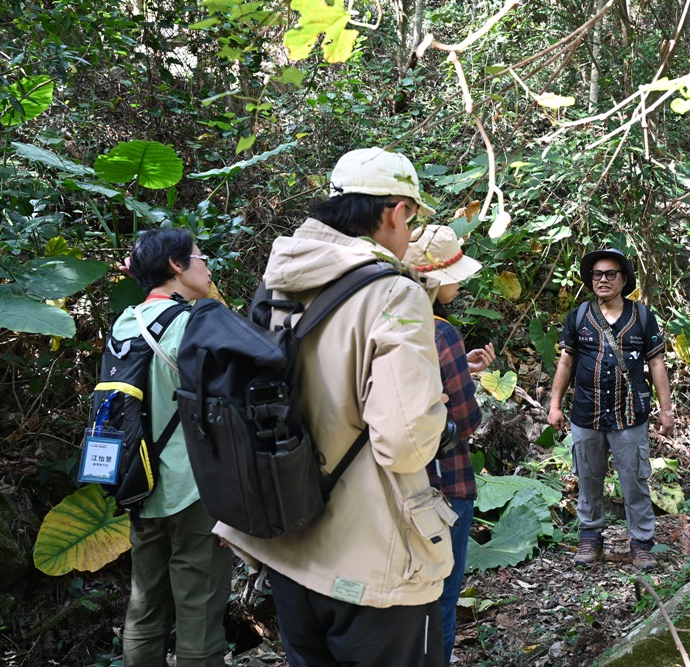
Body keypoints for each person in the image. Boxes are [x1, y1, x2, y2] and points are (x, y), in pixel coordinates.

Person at [214, 147, 455, 667]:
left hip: (289, 537)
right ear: (396, 211)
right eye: (411, 218)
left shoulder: (279, 282)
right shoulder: (393, 293)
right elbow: (405, 444)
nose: (409, 233)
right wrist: (437, 411)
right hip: (372, 555)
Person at [120, 227, 233, 666]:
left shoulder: (125, 322)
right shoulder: (193, 324)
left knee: (145, 606)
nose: (206, 266)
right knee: (199, 609)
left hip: (138, 482)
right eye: (200, 257)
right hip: (194, 487)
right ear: (176, 265)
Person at [547, 248, 675, 571]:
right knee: (588, 478)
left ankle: (642, 544)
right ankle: (590, 539)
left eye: (610, 274)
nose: (602, 280)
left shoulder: (642, 317)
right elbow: (566, 361)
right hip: (586, 415)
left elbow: (657, 363)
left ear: (624, 280)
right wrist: (554, 404)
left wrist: (666, 409)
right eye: (597, 275)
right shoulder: (579, 317)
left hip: (630, 416)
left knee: (635, 480)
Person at [404, 224, 496, 665]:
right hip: (443, 485)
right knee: (439, 598)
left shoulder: (388, 320)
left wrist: (465, 369)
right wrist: (462, 377)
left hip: (392, 485)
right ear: (436, 279)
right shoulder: (440, 333)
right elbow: (465, 418)